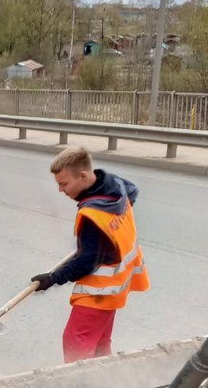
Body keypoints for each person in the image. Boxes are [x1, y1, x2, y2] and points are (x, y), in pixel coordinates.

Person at [31, 146, 149, 363]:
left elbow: (86, 262)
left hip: (98, 292)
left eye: (64, 184)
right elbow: (133, 192)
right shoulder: (116, 186)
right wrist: (105, 240)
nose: (61, 190)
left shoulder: (92, 214)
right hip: (117, 286)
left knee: (76, 343)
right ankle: (105, 385)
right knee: (99, 343)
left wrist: (52, 278)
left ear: (83, 176)